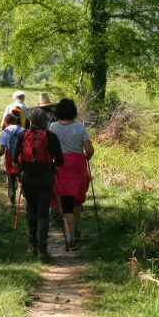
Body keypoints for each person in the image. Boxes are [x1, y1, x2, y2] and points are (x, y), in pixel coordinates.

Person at [13, 108, 63, 260]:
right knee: (43, 214)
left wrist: (19, 175)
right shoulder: (51, 136)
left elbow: (15, 158)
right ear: (45, 121)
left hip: (28, 177)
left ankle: (31, 246)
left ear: (31, 121)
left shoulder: (23, 135)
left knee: (31, 211)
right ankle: (43, 250)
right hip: (46, 178)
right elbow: (60, 161)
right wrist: (51, 163)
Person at [49, 98, 94, 250]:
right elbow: (89, 150)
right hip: (78, 166)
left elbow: (48, 147)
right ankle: (76, 230)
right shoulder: (80, 128)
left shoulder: (53, 127)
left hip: (61, 166)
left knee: (66, 204)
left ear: (58, 111)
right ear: (73, 112)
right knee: (76, 201)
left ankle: (70, 238)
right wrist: (84, 159)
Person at [0, 113, 25, 205]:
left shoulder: (5, 132)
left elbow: (2, 149)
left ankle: (12, 198)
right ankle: (25, 195)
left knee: (11, 179)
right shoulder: (23, 130)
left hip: (10, 157)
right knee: (22, 177)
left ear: (6, 122)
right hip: (21, 157)